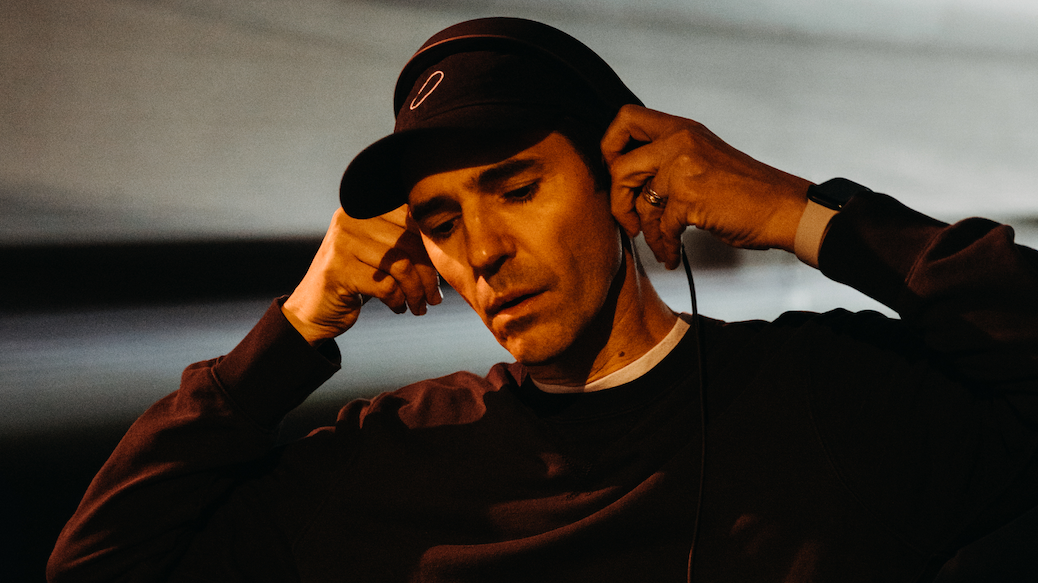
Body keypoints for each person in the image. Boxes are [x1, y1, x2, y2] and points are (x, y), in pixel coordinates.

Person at [48, 17, 1037, 583]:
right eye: (441, 220)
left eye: (517, 188)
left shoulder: (823, 399)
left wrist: (800, 214)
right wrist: (298, 326)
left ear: (622, 181)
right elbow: (99, 565)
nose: (482, 251)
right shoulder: (387, 462)